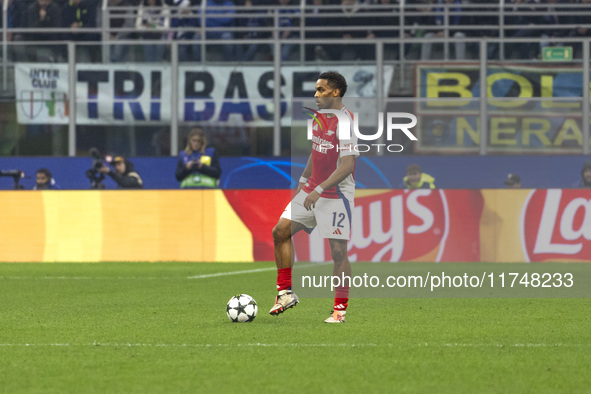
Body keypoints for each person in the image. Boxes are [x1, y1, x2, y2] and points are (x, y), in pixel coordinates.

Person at [270, 71, 358, 324]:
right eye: (316, 90)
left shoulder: (345, 122)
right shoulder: (320, 117)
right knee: (280, 231)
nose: (316, 94)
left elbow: (348, 165)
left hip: (335, 194)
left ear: (336, 93)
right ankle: (285, 293)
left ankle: (339, 311)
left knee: (338, 252)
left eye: (321, 90)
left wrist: (319, 190)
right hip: (312, 189)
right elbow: (316, 150)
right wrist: (303, 180)